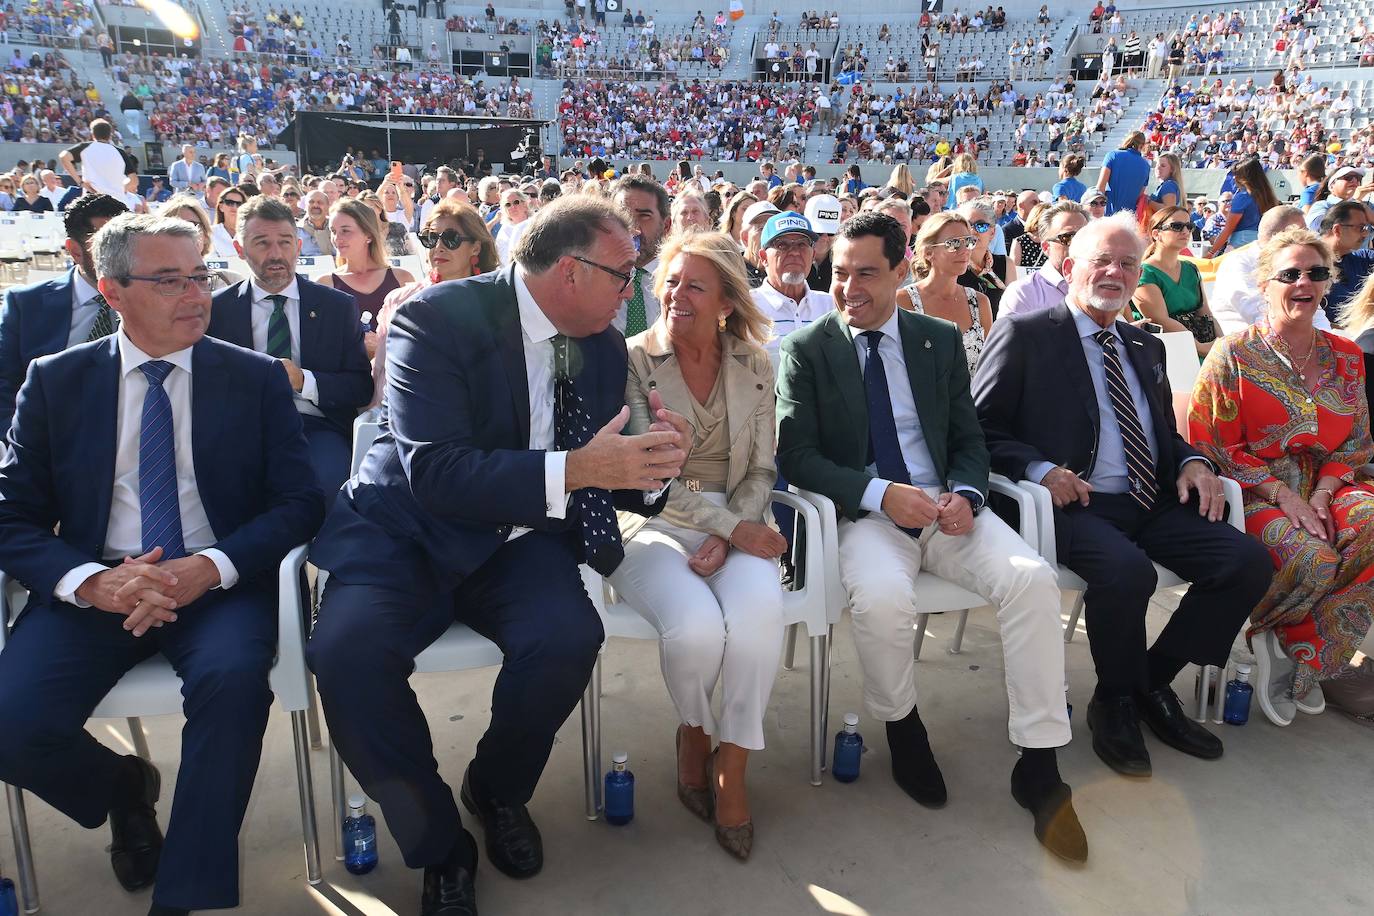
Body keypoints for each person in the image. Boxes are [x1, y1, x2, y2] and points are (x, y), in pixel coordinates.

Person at [305, 196, 692, 916]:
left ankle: (496, 789)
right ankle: (440, 843)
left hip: (517, 539)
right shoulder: (436, 318)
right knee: (347, 654)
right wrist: (581, 469)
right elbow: (440, 473)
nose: (634, 291)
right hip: (405, 535)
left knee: (569, 637)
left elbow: (602, 467)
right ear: (572, 272)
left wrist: (656, 464)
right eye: (623, 273)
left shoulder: (604, 344)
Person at [0, 213, 324, 916]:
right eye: (169, 280)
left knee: (235, 683)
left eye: (200, 275)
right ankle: (124, 791)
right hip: (99, 588)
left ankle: (186, 897)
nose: (196, 295)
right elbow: (10, 514)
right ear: (111, 291)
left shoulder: (255, 378)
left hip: (218, 587)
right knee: (9, 722)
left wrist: (208, 567)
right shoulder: (55, 382)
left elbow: (300, 504)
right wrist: (91, 582)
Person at [777, 212, 1087, 863]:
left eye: (867, 272)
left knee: (1031, 581)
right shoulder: (809, 348)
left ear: (899, 272)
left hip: (947, 510)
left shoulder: (935, 340)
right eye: (841, 273)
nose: (850, 287)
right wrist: (879, 493)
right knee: (884, 600)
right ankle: (903, 725)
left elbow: (968, 439)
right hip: (868, 517)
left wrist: (969, 495)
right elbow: (798, 456)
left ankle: (1038, 759)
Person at [973, 214, 1272, 780]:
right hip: (1073, 502)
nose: (1114, 273)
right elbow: (977, 429)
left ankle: (1149, 682)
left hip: (1149, 498)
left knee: (1246, 560)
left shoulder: (1144, 345)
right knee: (1126, 572)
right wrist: (1040, 469)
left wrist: (1191, 461)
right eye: (1100, 261)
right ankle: (1114, 699)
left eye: (1127, 264)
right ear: (1069, 268)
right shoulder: (1027, 334)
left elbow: (1161, 430)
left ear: (1139, 277)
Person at [610, 230, 784, 861]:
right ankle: (693, 729)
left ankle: (731, 764)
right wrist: (728, 530)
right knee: (697, 632)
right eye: (672, 282)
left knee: (761, 620)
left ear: (727, 304)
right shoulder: (631, 358)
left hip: (736, 513)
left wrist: (735, 528)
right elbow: (644, 472)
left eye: (695, 286)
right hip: (651, 520)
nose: (677, 296)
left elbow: (762, 470)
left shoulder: (756, 362)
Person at [1189, 228, 1374, 726]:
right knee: (1313, 557)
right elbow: (1213, 444)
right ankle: (1276, 640)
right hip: (1251, 488)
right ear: (1265, 285)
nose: (1303, 282)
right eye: (1289, 274)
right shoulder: (1233, 356)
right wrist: (1285, 498)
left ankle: (1304, 647)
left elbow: (1356, 442)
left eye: (1315, 273)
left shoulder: (1346, 356)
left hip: (1327, 484)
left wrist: (1321, 493)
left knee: (1371, 525)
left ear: (1328, 281)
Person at [208, 196, 372, 505]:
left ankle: (316, 554)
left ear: (298, 246)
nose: (276, 254)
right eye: (262, 243)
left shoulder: (336, 307)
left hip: (315, 427)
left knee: (328, 490)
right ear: (240, 249)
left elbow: (359, 387)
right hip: (240, 429)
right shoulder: (217, 310)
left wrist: (302, 381)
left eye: (284, 243)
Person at [0, 194, 130, 435]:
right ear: (74, 251)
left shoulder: (150, 295)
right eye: (104, 245)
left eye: (125, 243)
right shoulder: (26, 304)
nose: (119, 256)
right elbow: (3, 385)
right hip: (48, 434)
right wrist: (18, 442)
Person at [371, 200, 500, 406]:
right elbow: (380, 371)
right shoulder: (398, 300)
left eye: (451, 239)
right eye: (431, 238)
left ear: (475, 248)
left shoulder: (497, 302)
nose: (438, 247)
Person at [1211, 206, 1331, 335]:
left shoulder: (1303, 262)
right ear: (1282, 236)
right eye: (1289, 275)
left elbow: (1315, 313)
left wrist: (1326, 343)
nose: (1308, 237)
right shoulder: (1237, 263)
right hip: (1248, 345)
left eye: (1317, 273)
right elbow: (1260, 314)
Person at [897, 212, 992, 376]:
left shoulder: (979, 302)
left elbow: (990, 366)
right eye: (953, 244)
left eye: (968, 242)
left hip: (972, 400)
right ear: (928, 252)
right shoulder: (903, 300)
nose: (964, 251)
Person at [317, 198, 415, 339]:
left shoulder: (402, 278)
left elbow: (413, 336)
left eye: (345, 231)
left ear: (368, 234)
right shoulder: (325, 284)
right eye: (333, 231)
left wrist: (381, 348)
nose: (337, 238)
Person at [1134, 206, 1221, 358]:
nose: (1186, 231)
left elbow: (1206, 313)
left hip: (1200, 345)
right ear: (1156, 234)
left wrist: (1221, 343)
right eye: (1177, 226)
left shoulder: (1191, 268)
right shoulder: (1145, 273)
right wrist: (1200, 348)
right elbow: (1160, 320)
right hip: (1167, 352)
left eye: (1189, 226)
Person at [750, 212, 834, 367]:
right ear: (763, 257)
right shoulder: (747, 307)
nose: (795, 252)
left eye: (802, 244)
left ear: (813, 254)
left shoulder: (831, 306)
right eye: (782, 245)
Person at [1001, 201, 1089, 316]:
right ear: (1046, 246)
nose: (1079, 243)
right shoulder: (1023, 293)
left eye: (1085, 236)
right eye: (1068, 237)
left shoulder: (1101, 285)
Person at [613, 174, 671, 335]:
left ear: (666, 226)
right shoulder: (592, 277)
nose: (632, 226)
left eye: (644, 216)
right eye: (622, 215)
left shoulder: (678, 279)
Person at [158, 195, 246, 291]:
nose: (184, 233)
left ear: (205, 235)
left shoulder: (232, 282)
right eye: (175, 226)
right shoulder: (148, 284)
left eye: (190, 225)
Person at [1207, 157, 1279, 257]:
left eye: (1236, 175)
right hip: (1263, 246)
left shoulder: (1242, 197)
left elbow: (1228, 229)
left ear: (1242, 177)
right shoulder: (1270, 198)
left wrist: (1211, 252)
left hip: (1240, 247)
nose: (1234, 178)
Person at [1318, 200, 1374, 324]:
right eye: (1361, 228)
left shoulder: (1363, 259)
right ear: (1337, 230)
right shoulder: (1306, 265)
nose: (1366, 233)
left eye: (1367, 227)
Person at [955, 199, 1006, 316]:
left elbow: (1012, 311)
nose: (973, 231)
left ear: (992, 233)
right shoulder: (952, 264)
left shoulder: (1006, 264)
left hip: (997, 332)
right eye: (967, 225)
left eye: (981, 226)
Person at [1096, 131, 1150, 217]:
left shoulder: (1112, 155)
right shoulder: (1146, 165)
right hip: (1131, 217)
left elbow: (1100, 187)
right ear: (1142, 145)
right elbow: (1140, 195)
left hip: (1110, 213)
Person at [1306, 165, 1364, 232]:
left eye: (1358, 178)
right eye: (1348, 177)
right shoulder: (1321, 206)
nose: (1355, 181)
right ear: (1332, 186)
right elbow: (1324, 228)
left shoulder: (1365, 205)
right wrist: (1355, 203)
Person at [494, 189, 533, 264]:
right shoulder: (504, 230)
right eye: (508, 204)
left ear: (525, 204)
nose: (512, 207)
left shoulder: (535, 223)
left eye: (516, 202)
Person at [210, 186, 248, 258]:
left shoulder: (250, 232)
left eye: (239, 204)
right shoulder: (211, 233)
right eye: (229, 203)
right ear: (221, 207)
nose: (234, 207)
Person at [297, 190, 334, 257]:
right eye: (311, 202)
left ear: (327, 206)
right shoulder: (296, 231)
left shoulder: (337, 227)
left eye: (320, 202)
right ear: (305, 206)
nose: (315, 205)